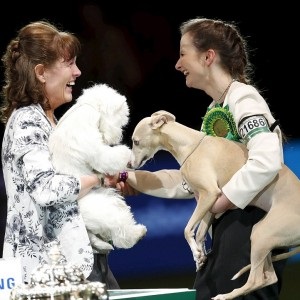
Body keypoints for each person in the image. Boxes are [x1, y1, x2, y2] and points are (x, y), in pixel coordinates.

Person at [112, 17, 287, 299]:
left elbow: (267, 161)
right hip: (232, 228)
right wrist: (127, 177)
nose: (178, 64)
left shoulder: (244, 100)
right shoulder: (214, 113)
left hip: (253, 226)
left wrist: (222, 200)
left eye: (183, 54)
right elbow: (189, 182)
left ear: (208, 57)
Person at [0, 20, 119, 289]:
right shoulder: (27, 121)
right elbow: (47, 189)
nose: (78, 72)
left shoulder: (50, 121)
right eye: (69, 64)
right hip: (48, 274)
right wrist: (98, 180)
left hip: (75, 264)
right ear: (41, 72)